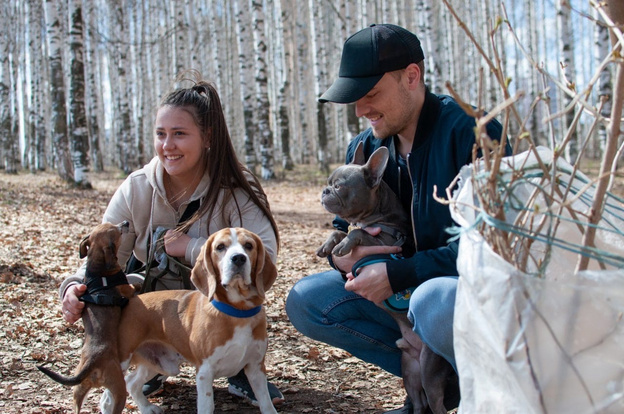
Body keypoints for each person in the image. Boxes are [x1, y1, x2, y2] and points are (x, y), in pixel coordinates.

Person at [285, 24, 507, 413]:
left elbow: (494, 248)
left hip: (466, 294)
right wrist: (343, 259)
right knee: (308, 301)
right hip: (403, 296)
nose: (361, 110)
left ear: (411, 76)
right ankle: (432, 386)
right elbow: (341, 227)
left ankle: (483, 389)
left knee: (432, 299)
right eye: (354, 99)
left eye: (371, 94)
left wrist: (400, 273)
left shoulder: (474, 134)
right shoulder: (365, 147)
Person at [59, 69, 284, 407]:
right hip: (154, 307)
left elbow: (265, 253)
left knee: (236, 316)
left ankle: (241, 366)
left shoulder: (237, 188)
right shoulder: (136, 186)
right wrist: (74, 287)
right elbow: (103, 256)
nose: (168, 146)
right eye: (160, 134)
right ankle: (150, 359)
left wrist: (192, 247)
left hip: (221, 304)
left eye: (179, 133)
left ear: (207, 137)